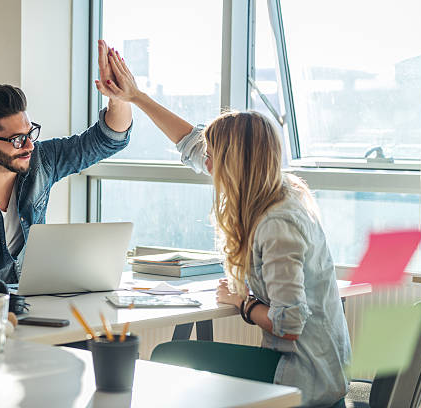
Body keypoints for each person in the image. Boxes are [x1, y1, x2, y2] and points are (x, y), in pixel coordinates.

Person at [97, 48, 351, 407]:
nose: (206, 160)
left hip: (302, 377)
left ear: (232, 163)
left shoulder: (279, 223)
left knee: (172, 357)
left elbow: (290, 324)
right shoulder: (278, 191)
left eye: (212, 154)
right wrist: (135, 97)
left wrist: (242, 303)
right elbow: (190, 143)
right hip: (315, 368)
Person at [0, 40, 132, 293]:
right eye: (17, 140)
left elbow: (108, 140)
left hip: (38, 307)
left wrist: (118, 99)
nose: (29, 146)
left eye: (30, 133)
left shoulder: (41, 162)